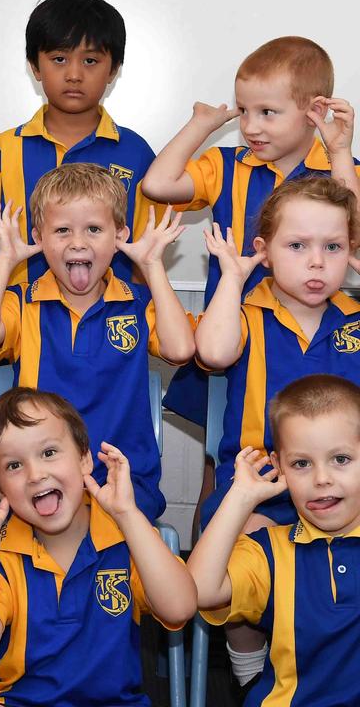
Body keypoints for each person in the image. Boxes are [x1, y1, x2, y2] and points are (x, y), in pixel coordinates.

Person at [194, 175, 360, 691]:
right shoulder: (246, 312)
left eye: (333, 247)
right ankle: (249, 667)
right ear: (263, 252)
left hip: (347, 486)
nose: (317, 262)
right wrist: (230, 277)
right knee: (240, 546)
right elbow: (214, 354)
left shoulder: (355, 318)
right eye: (297, 246)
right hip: (260, 486)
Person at [141, 35, 360, 426]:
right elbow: (157, 185)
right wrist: (200, 125)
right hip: (228, 330)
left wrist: (340, 154)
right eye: (244, 111)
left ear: (315, 111)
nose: (249, 126)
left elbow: (355, 231)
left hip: (305, 333)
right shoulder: (226, 165)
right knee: (226, 436)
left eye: (267, 112)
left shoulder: (341, 170)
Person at [0, 163, 195, 521]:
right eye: (62, 230)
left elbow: (180, 350)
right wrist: (5, 260)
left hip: (125, 481)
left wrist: (152, 267)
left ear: (119, 235)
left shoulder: (135, 302)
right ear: (38, 238)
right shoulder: (24, 301)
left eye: (93, 229)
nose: (78, 242)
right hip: (43, 483)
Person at [0, 387, 196, 706]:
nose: (36, 474)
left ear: (84, 459)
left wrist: (128, 515)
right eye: (14, 465)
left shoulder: (126, 538)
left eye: (49, 452)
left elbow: (180, 607)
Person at [0, 0, 161, 287]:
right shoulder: (5, 150)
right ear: (35, 66)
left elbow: (146, 259)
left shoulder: (136, 153)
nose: (74, 74)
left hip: (113, 327)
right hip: (20, 326)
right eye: (59, 59)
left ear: (113, 69)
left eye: (90, 61)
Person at [189, 374, 360, 707]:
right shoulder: (270, 552)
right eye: (301, 464)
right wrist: (240, 498)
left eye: (340, 459)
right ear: (279, 468)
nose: (321, 479)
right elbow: (199, 590)